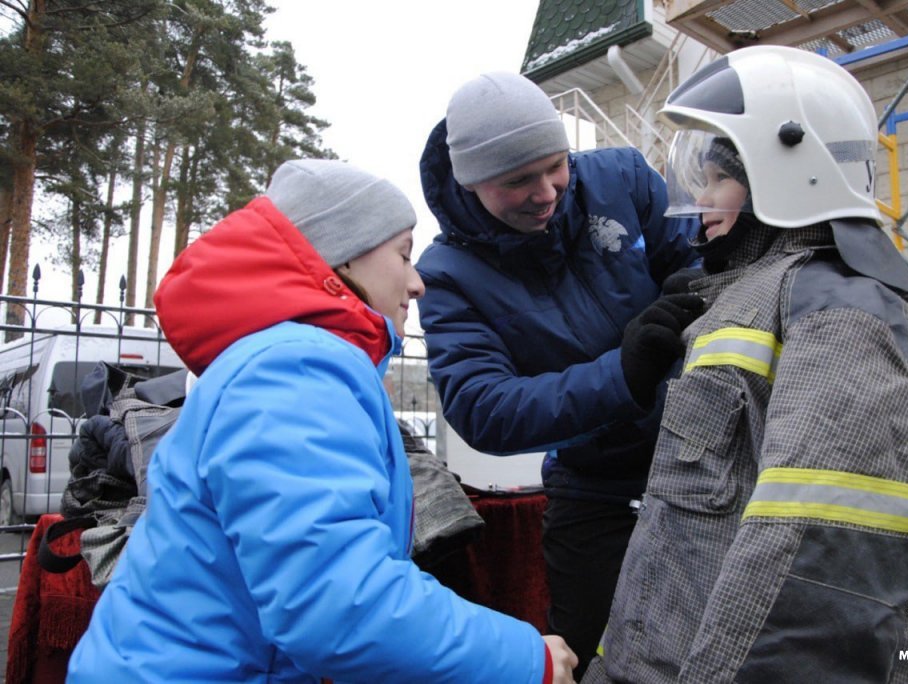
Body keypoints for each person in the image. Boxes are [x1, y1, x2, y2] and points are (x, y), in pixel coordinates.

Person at [67, 159, 577, 683]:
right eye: (403, 255)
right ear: (346, 258)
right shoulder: (297, 369)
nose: (417, 282)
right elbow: (338, 603)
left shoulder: (283, 361)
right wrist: (523, 659)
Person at [583, 45, 908, 683]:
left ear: (787, 169)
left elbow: (819, 571)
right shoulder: (756, 298)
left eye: (717, 177)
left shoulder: (840, 310)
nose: (699, 197)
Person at [416, 71, 703, 678]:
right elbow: (481, 407)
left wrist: (689, 289)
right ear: (469, 183)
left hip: (700, 456)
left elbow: (703, 257)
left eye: (556, 165)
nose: (546, 191)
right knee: (588, 651)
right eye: (517, 180)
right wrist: (620, 376)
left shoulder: (623, 178)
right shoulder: (446, 275)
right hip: (591, 483)